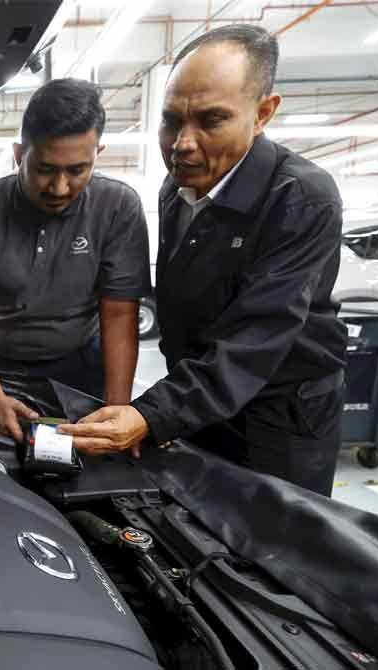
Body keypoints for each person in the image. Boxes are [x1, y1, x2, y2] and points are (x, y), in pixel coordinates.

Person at [60, 25, 347, 496]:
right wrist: (164, 410)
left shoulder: (300, 198)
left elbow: (256, 338)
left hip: (277, 419)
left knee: (268, 534)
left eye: (211, 121)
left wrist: (152, 414)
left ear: (263, 113)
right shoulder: (177, 189)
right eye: (172, 120)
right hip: (202, 403)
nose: (182, 144)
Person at [0, 78, 151, 443]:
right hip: (0, 369)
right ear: (18, 154)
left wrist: (117, 410)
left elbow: (119, 315)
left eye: (77, 170)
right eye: (45, 169)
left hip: (83, 366)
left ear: (98, 154)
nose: (59, 188)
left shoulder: (119, 207)